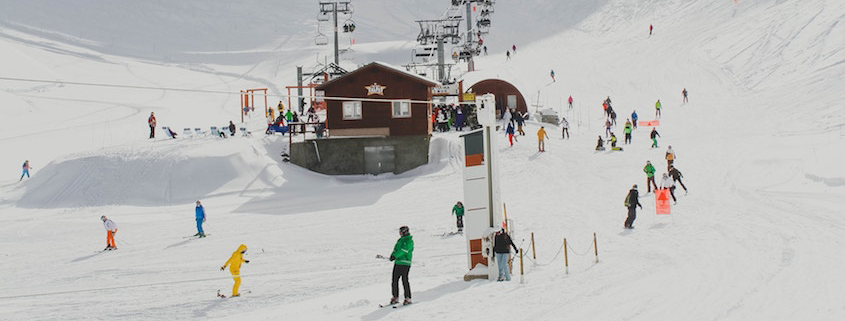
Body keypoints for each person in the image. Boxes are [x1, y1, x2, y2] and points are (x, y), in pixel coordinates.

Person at [388, 226, 414, 305]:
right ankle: (395, 297)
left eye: (401, 232)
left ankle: (408, 297)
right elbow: (396, 249)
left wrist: (396, 256)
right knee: (394, 280)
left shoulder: (409, 241)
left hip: (405, 263)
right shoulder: (400, 240)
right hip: (398, 263)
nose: (399, 233)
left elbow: (404, 250)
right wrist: (392, 255)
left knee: (404, 280)